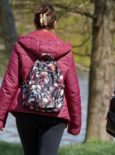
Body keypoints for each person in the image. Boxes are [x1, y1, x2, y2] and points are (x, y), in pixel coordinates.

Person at [0, 3, 81, 155]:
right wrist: (75, 124)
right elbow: (73, 90)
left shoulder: (21, 45)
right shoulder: (65, 50)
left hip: (26, 112)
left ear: (34, 23)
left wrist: (0, 117)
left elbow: (10, 84)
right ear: (55, 23)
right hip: (55, 115)